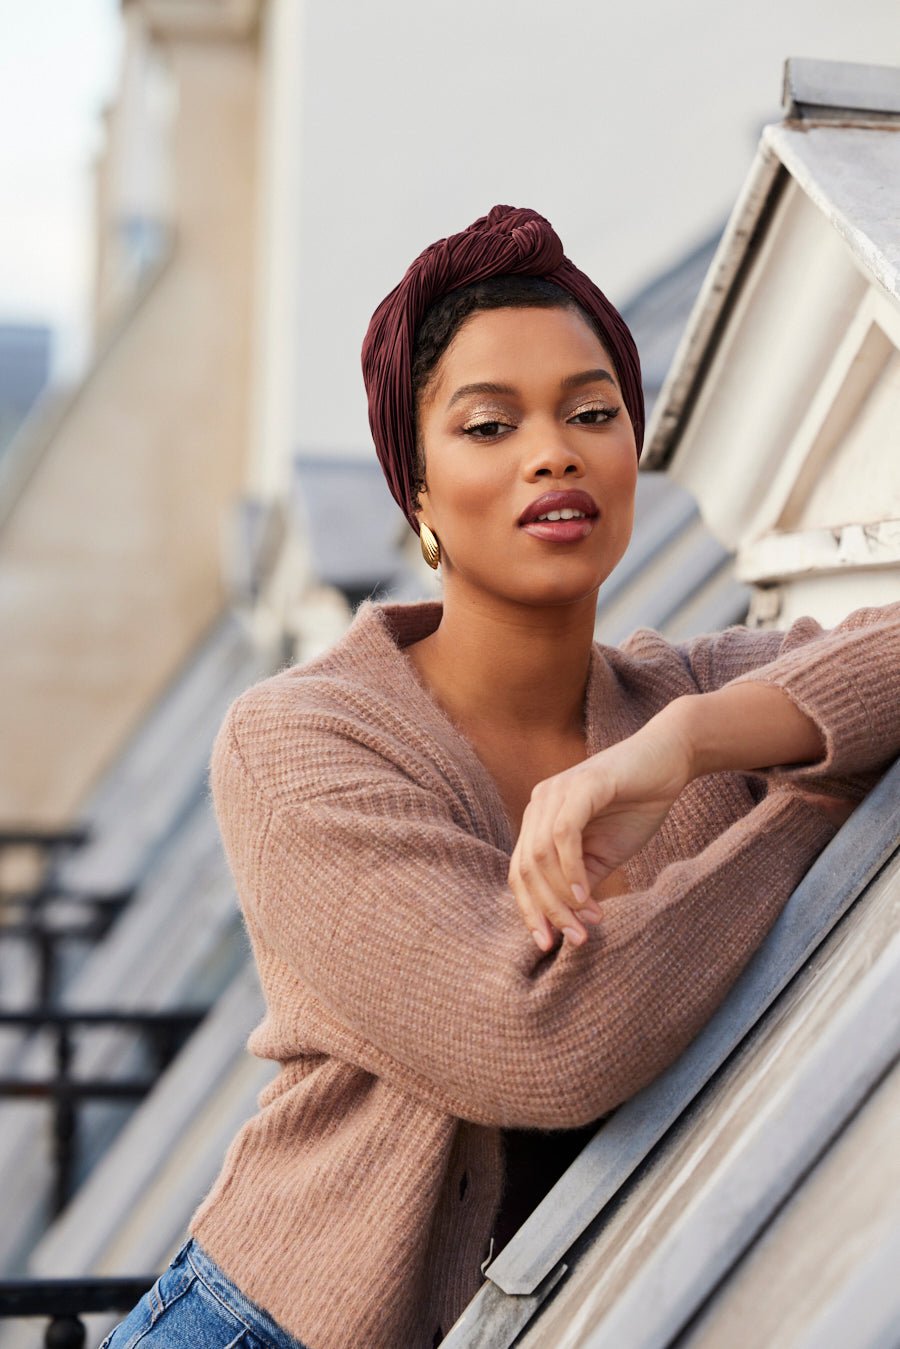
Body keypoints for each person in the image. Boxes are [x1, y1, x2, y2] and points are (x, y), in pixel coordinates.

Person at [100, 206, 899, 1349]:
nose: (554, 451)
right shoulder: (299, 743)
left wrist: (696, 742)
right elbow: (537, 1040)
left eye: (592, 411)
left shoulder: (683, 695)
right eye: (490, 424)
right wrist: (811, 800)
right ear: (416, 493)